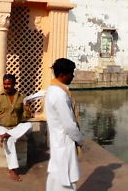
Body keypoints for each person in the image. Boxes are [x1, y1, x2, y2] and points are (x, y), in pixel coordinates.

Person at [44, 58, 84, 191]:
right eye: (71, 73)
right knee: (65, 180)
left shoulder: (52, 90)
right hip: (64, 142)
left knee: (56, 178)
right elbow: (69, 126)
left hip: (58, 141)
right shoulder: (60, 95)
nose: (73, 75)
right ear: (62, 74)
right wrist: (80, 139)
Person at [0, 74, 32, 182]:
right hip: (2, 127)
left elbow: (27, 116)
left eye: (9, 84)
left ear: (14, 84)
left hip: (16, 126)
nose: (6, 86)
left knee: (29, 125)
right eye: (5, 84)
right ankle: (12, 170)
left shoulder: (22, 97)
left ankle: (7, 135)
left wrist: (27, 108)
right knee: (10, 140)